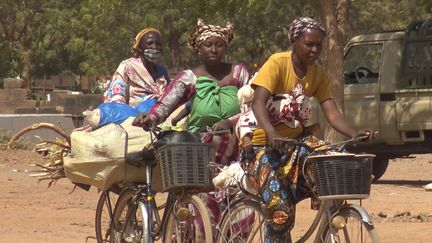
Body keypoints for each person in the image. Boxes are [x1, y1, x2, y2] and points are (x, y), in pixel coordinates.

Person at [242, 17, 373, 242]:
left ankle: (327, 226)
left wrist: (354, 133)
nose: (314, 49)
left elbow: (332, 113)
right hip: (263, 147)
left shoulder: (317, 74)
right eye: (309, 44)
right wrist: (272, 134)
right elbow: (258, 102)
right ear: (295, 41)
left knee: (330, 166)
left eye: (319, 45)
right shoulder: (277, 63)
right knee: (281, 214)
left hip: (294, 146)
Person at [133, 18, 250, 239]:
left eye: (219, 44)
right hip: (201, 156)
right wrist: (150, 118)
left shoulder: (240, 73)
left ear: (226, 46)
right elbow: (166, 104)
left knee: (243, 209)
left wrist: (231, 122)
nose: (214, 49)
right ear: (199, 48)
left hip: (238, 154)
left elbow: (252, 105)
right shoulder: (189, 77)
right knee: (200, 212)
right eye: (208, 45)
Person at [103, 27, 171, 109]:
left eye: (158, 44)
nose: (154, 47)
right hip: (133, 116)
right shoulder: (127, 66)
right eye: (149, 43)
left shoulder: (162, 72)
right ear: (139, 47)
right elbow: (117, 96)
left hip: (159, 115)